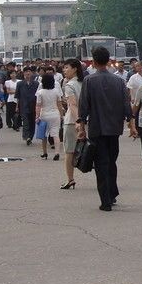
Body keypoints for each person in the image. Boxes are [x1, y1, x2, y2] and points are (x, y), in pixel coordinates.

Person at [76, 46, 137, 211]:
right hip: (114, 129)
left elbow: (84, 107)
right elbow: (127, 105)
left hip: (97, 128)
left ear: (94, 62)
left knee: (101, 163)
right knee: (111, 161)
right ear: (109, 61)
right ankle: (112, 193)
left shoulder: (89, 81)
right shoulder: (119, 81)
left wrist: (81, 128)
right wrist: (131, 126)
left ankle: (106, 200)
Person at [60, 59, 84, 190]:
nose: (64, 70)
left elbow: (72, 105)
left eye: (66, 67)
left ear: (75, 69)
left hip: (72, 122)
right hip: (88, 120)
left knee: (69, 151)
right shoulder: (85, 82)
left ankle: (70, 179)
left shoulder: (69, 85)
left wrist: (77, 121)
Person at [35, 72, 63, 160]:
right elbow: (59, 104)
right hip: (55, 114)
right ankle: (57, 153)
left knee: (44, 135)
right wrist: (61, 115)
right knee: (55, 134)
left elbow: (38, 105)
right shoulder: (56, 91)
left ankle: (45, 153)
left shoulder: (40, 92)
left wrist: (37, 116)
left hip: (44, 114)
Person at [15, 67, 39, 146]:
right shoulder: (20, 84)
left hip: (34, 105)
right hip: (23, 105)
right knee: (25, 122)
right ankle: (26, 137)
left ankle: (30, 137)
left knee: (32, 122)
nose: (28, 73)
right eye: (26, 72)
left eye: (29, 72)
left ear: (31, 73)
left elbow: (39, 96)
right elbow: (18, 96)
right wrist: (17, 106)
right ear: (24, 73)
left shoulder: (36, 83)